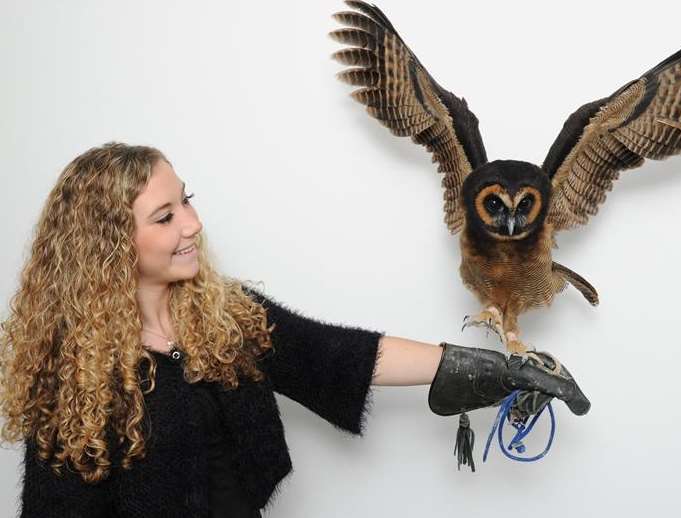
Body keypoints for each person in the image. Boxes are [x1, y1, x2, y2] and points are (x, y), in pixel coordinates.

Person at [0, 143, 589, 517]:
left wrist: (488, 367)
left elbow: (340, 357)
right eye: (166, 215)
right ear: (108, 245)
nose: (194, 223)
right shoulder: (76, 376)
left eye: (187, 201)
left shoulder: (223, 316)